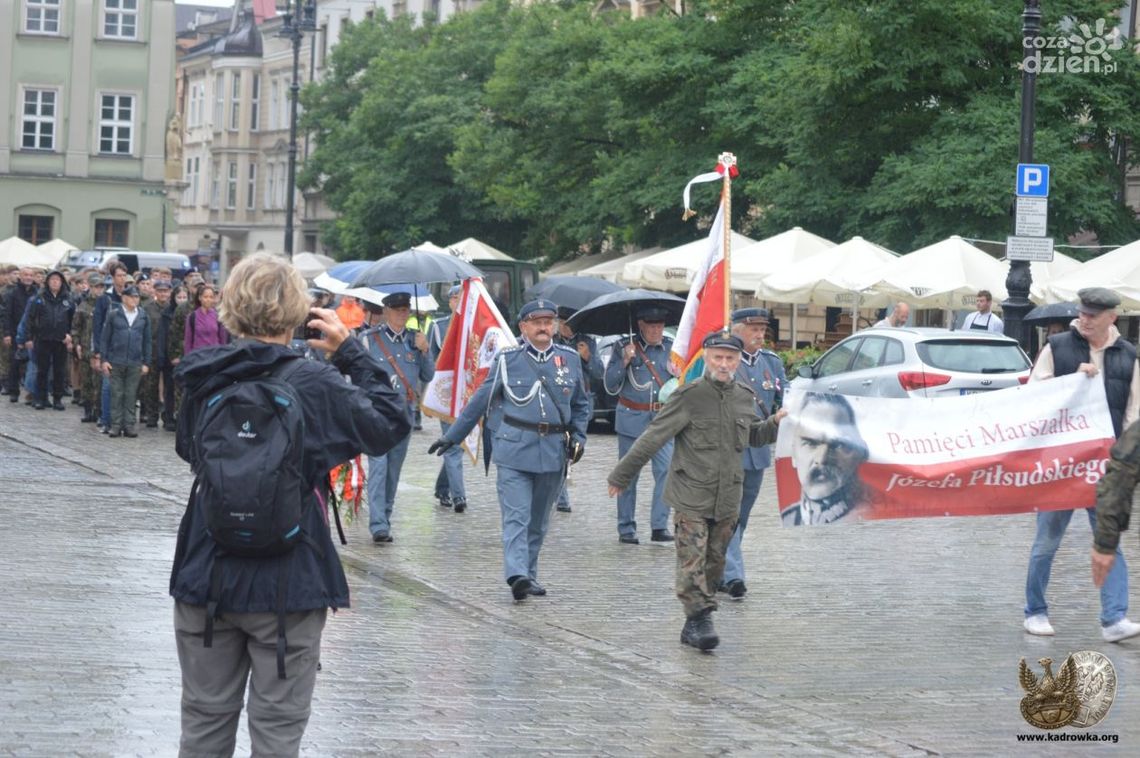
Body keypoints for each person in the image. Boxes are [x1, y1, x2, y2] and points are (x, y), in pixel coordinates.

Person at [171, 252, 409, 758]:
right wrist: (351, 354)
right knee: (277, 735)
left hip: (206, 570)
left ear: (231, 308)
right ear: (299, 311)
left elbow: (188, 449)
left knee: (203, 726)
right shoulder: (313, 382)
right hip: (289, 578)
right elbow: (390, 423)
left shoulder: (202, 377)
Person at [607, 331, 786, 651]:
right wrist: (622, 475)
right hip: (691, 493)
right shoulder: (688, 396)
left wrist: (774, 423)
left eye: (730, 358)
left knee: (715, 563)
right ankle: (700, 618)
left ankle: (693, 622)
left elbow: (753, 437)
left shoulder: (744, 396)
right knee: (692, 561)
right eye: (717, 357)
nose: (723, 364)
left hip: (727, 496)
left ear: (737, 361)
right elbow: (654, 436)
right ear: (706, 358)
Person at [429, 299, 590, 600]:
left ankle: (528, 573)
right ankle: (516, 574)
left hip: (553, 450)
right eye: (537, 322)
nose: (544, 327)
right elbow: (481, 399)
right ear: (523, 327)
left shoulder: (569, 359)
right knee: (517, 516)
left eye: (549, 321)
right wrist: (453, 436)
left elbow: (581, 404)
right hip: (514, 449)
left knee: (539, 520)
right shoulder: (508, 359)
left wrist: (579, 436)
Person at [1023, 287, 1140, 642]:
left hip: (1105, 466)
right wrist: (1071, 380)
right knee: (1047, 541)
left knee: (1109, 539)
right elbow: (1032, 396)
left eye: (1093, 314)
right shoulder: (1057, 348)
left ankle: (1114, 618)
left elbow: (1134, 412)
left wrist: (1124, 457)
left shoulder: (1128, 355)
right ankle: (1035, 611)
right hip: (1061, 463)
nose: (1085, 319)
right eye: (1083, 312)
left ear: (1111, 318)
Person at [721, 308, 785, 599]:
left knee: (741, 518)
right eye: (753, 329)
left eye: (762, 329)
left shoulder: (772, 364)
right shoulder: (725, 362)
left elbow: (781, 404)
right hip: (729, 451)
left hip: (757, 453)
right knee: (728, 515)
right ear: (736, 330)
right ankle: (733, 576)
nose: (759, 334)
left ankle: (721, 568)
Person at [360, 291, 434, 543]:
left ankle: (386, 517)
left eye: (406, 309)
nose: (403, 313)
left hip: (404, 415)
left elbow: (428, 376)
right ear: (386, 311)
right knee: (378, 467)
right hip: (376, 414)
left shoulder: (416, 340)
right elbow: (358, 375)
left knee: (393, 470)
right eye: (398, 309)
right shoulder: (370, 340)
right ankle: (378, 524)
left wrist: (425, 351)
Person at [603, 305, 676, 544]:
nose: (656, 330)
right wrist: (624, 360)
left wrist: (679, 373)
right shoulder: (624, 346)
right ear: (641, 326)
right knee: (628, 475)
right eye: (651, 325)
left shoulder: (671, 347)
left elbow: (683, 383)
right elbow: (610, 385)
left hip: (662, 421)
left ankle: (659, 525)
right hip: (632, 418)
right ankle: (626, 528)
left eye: (659, 325)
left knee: (666, 471)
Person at [781, 392, 870, 525]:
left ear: (859, 453)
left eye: (837, 445)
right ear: (794, 453)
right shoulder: (788, 518)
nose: (822, 459)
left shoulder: (870, 514)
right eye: (811, 443)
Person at [552, 305, 604, 514]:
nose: (563, 327)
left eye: (567, 323)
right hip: (559, 401)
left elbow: (600, 373)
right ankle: (562, 497)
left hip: (580, 401)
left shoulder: (587, 341)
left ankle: (560, 490)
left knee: (572, 447)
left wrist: (588, 357)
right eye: (560, 322)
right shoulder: (552, 341)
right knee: (559, 447)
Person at [430, 285, 469, 513]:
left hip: (469, 396)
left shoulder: (473, 327)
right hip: (446, 395)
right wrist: (426, 399)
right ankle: (459, 497)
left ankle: (443, 487)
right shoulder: (438, 327)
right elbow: (430, 364)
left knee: (457, 444)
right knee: (454, 446)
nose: (460, 302)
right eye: (457, 298)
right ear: (450, 301)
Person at [100, 286, 151, 438]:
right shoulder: (114, 314)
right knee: (116, 393)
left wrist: (146, 362)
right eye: (131, 297)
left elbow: (147, 341)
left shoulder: (143, 316)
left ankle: (129, 425)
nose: (134, 300)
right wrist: (104, 359)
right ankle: (115, 425)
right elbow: (105, 339)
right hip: (116, 360)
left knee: (131, 395)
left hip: (135, 362)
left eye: (137, 297)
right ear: (124, 298)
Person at [26, 270, 75, 411]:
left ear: (62, 282)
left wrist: (70, 335)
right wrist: (29, 337)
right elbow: (30, 318)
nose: (55, 282)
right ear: (47, 282)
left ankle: (57, 398)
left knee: (59, 371)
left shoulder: (68, 299)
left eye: (58, 280)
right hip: (43, 339)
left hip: (61, 340)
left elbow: (73, 321)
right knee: (42, 370)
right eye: (52, 279)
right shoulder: (39, 298)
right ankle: (41, 398)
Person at [4, 267, 38, 402]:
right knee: (15, 363)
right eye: (25, 275)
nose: (28, 277)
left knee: (33, 364)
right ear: (21, 277)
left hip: (34, 335)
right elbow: (7, 315)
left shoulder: (37, 292)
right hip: (15, 333)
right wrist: (7, 333)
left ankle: (31, 392)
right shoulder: (12, 293)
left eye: (31, 275)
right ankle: (14, 391)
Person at [74, 274, 104, 422]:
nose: (98, 290)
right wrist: (76, 344)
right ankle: (87, 410)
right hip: (86, 348)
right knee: (86, 381)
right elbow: (76, 328)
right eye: (95, 287)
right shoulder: (83, 305)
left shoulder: (106, 304)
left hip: (100, 350)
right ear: (90, 288)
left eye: (100, 287)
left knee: (99, 382)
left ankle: (99, 411)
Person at [184, 283, 228, 354]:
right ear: (200, 298)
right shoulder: (192, 317)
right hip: (197, 356)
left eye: (211, 297)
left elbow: (223, 340)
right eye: (205, 297)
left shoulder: (218, 316)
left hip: (214, 355)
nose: (208, 299)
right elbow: (188, 341)